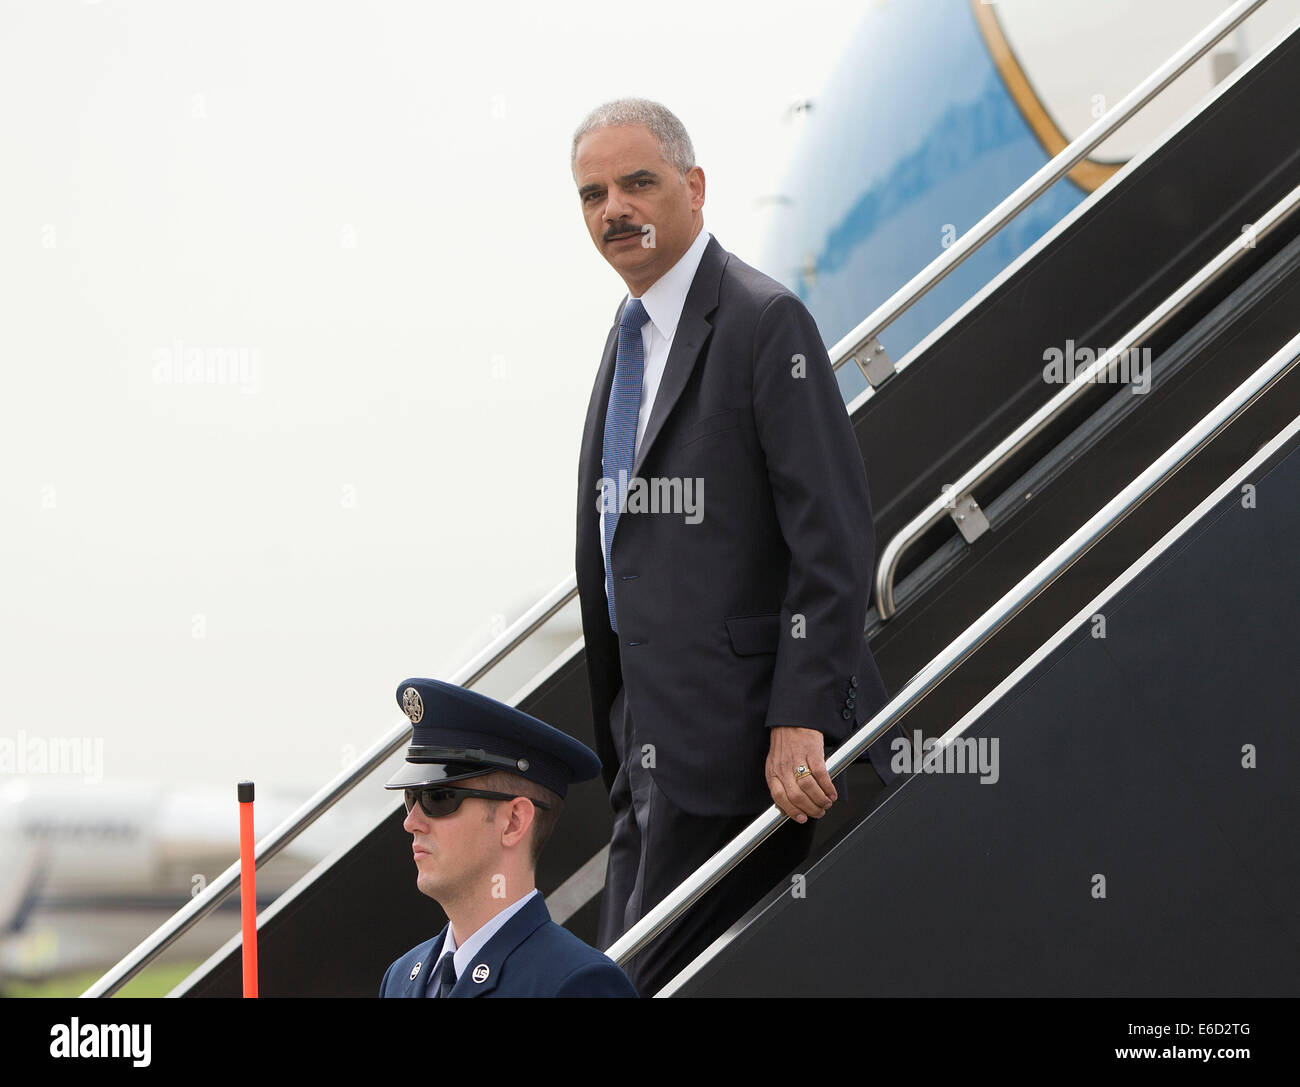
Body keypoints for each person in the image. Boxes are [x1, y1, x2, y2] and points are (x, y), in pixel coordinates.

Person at [571, 98, 902, 995]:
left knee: (646, 983)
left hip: (743, 750)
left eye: (637, 181)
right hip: (646, 751)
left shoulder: (763, 321)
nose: (615, 209)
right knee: (620, 980)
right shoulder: (626, 337)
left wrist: (800, 716)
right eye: (593, 193)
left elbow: (831, 537)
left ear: (694, 186)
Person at [378, 677, 637, 998]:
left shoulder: (577, 984)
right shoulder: (401, 977)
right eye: (410, 798)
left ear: (514, 821)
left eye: (438, 797)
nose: (411, 821)